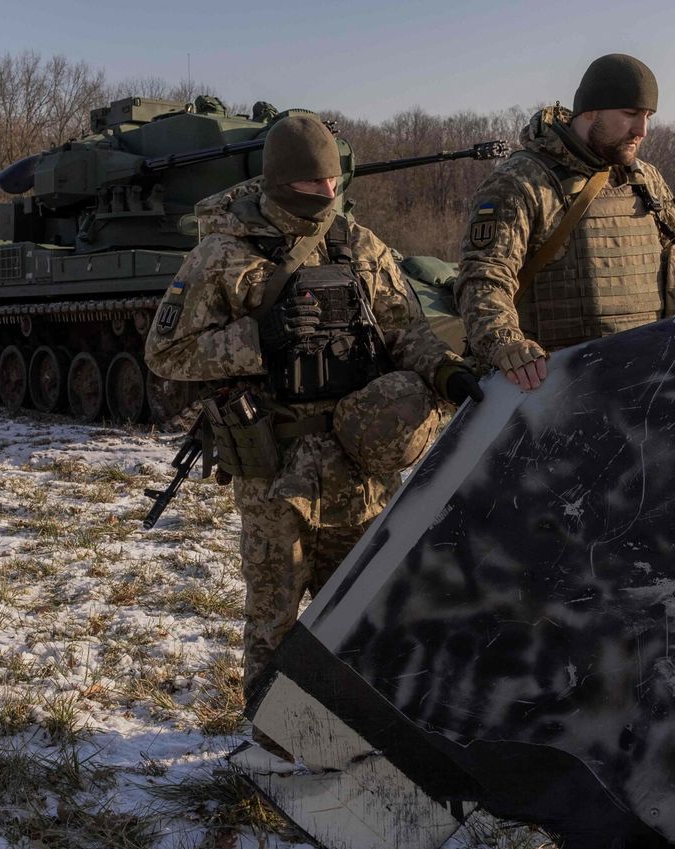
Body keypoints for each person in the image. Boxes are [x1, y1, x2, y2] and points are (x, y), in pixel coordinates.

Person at [145, 114, 480, 753]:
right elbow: (168, 353)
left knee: (357, 608)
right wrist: (258, 341)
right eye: (311, 186)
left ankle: (348, 737)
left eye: (333, 184)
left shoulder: (359, 243)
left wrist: (445, 373)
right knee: (274, 616)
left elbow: (402, 329)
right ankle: (272, 745)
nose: (325, 198)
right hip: (277, 472)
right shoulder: (224, 252)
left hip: (360, 466)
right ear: (278, 183)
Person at [456, 53, 675, 391]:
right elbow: (482, 279)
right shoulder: (521, 182)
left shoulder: (646, 180)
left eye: (647, 117)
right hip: (553, 390)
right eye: (630, 114)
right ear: (591, 111)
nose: (642, 130)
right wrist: (506, 344)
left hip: (643, 379)